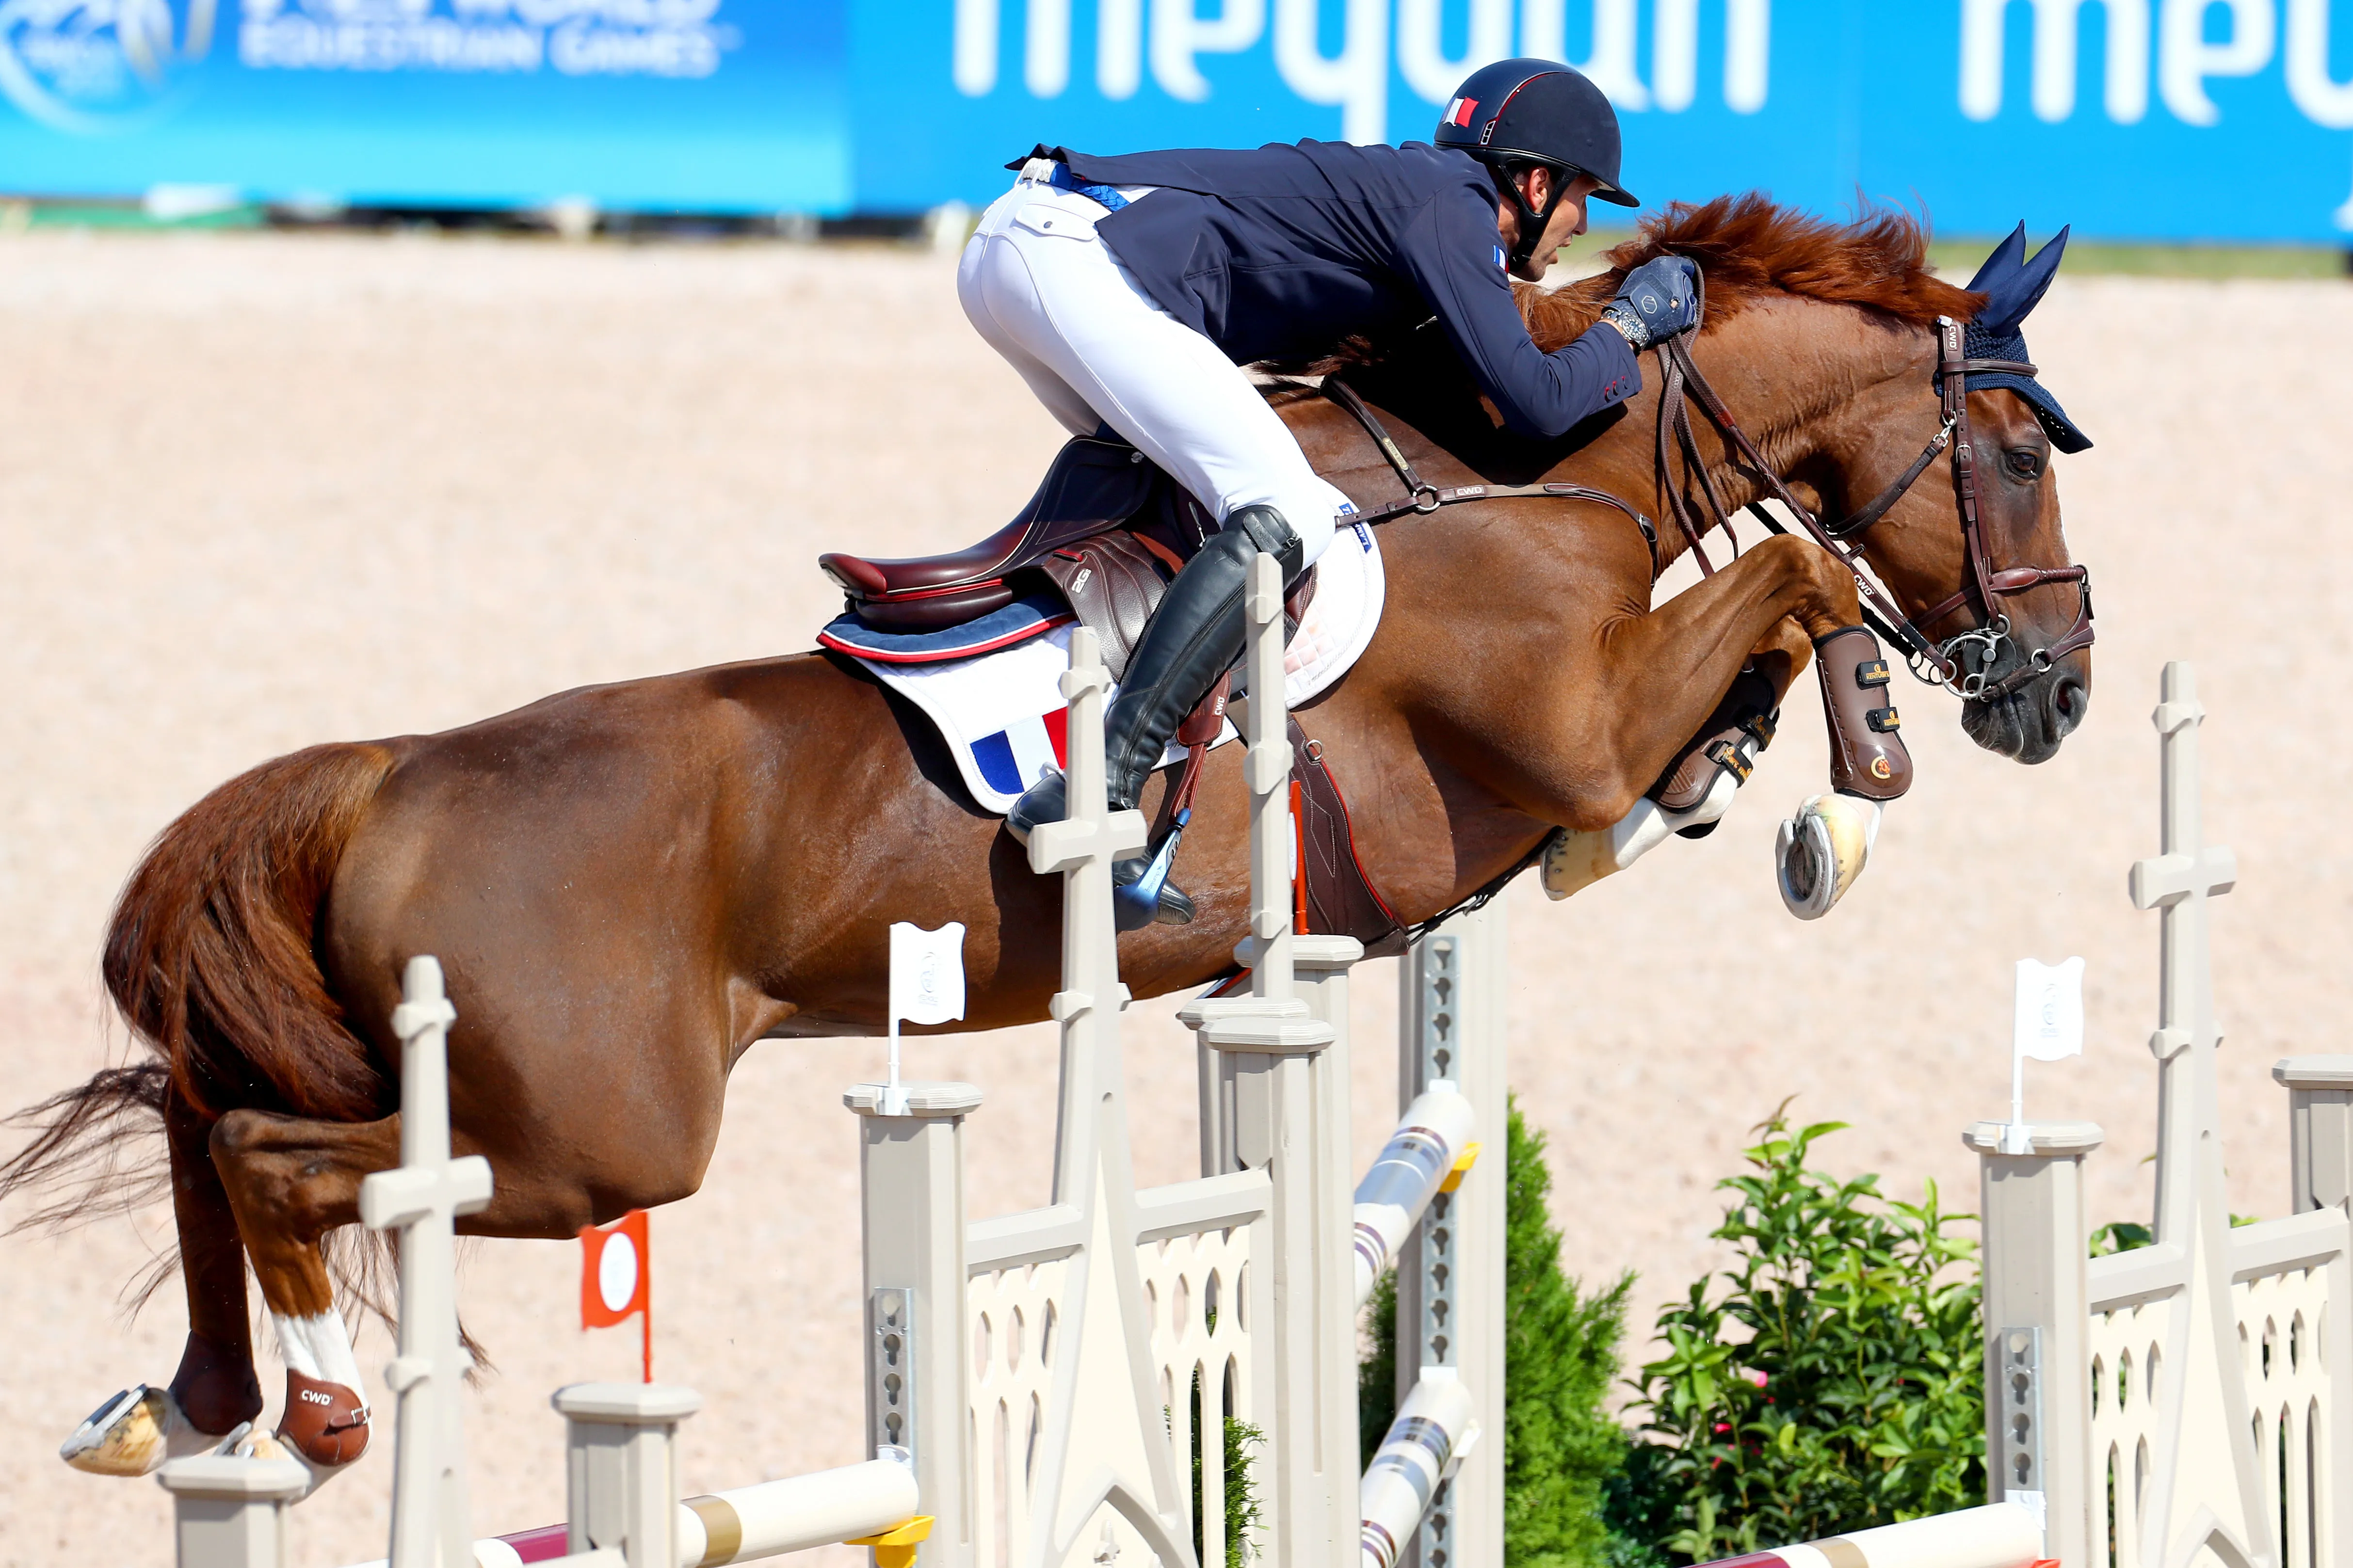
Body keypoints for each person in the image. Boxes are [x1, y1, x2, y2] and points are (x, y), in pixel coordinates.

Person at [962, 57, 1699, 924]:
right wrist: (1627, 328)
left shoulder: (1427, 200)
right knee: (1287, 513)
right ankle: (1100, 786)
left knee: (1194, 492)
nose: (1583, 227)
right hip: (1077, 257)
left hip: (1024, 251)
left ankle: (1067, 725)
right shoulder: (1452, 204)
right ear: (1536, 183)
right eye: (1583, 199)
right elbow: (1535, 402)